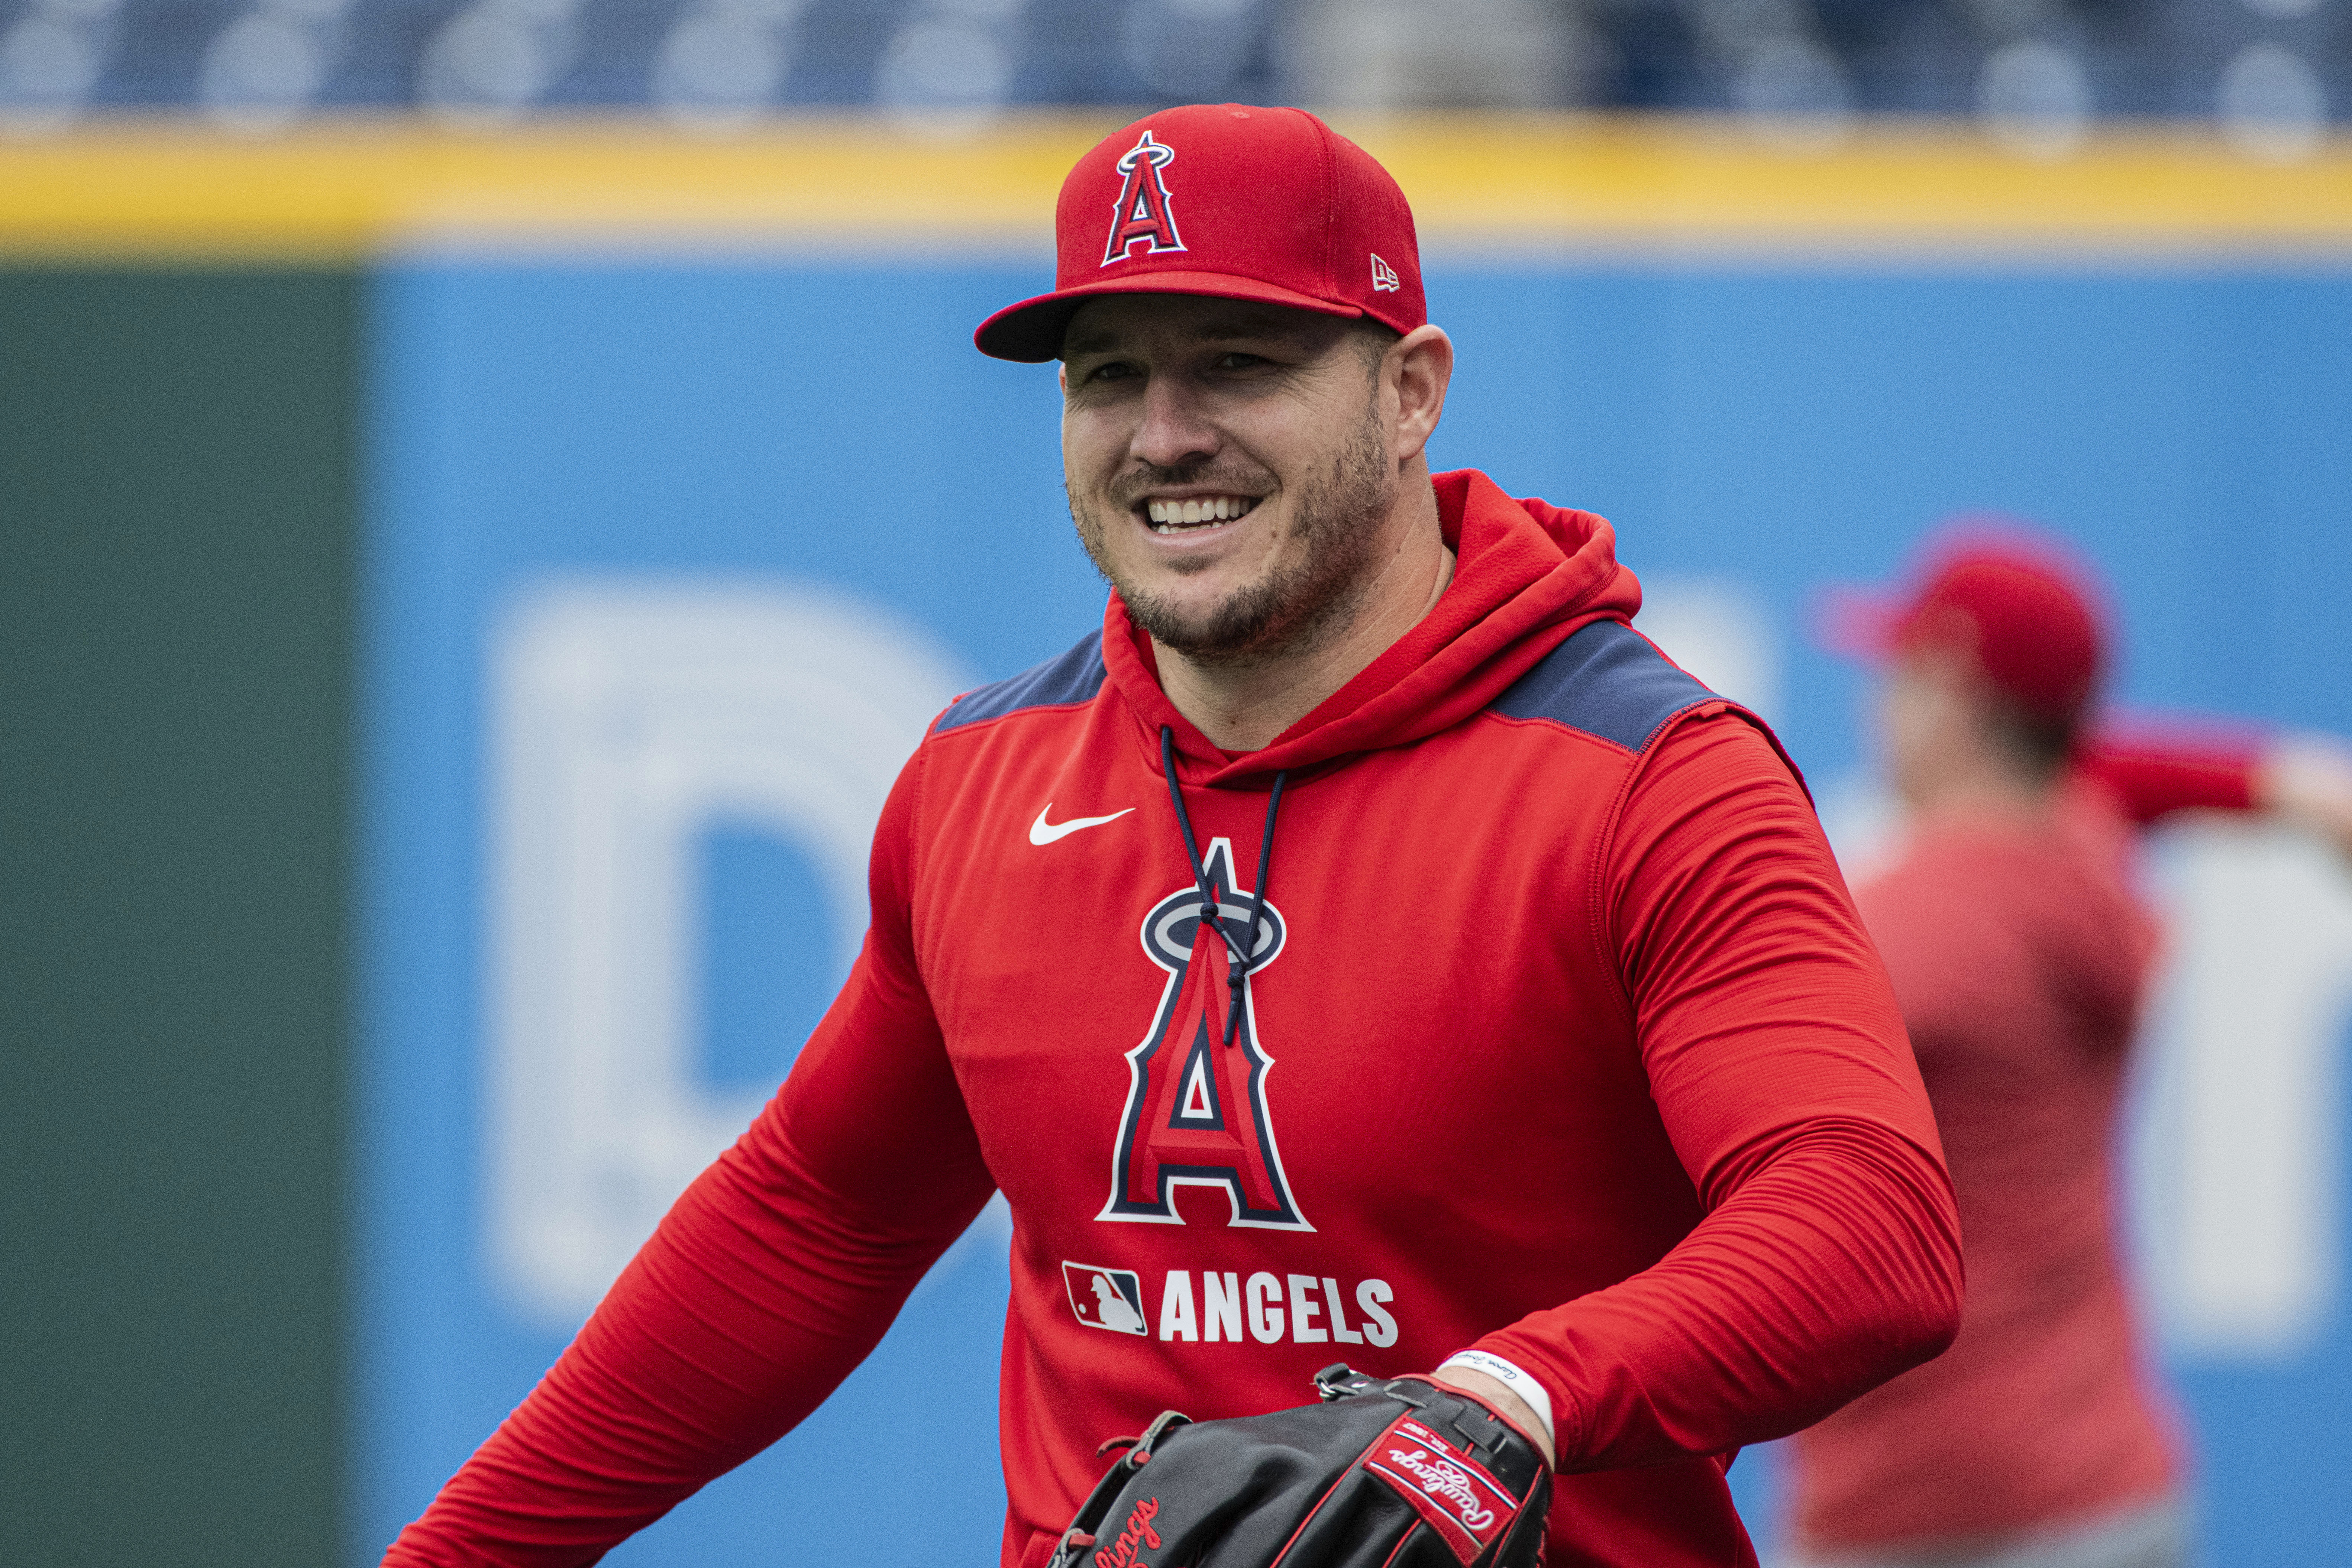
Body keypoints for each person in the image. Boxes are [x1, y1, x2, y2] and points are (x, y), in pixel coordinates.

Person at [386, 104, 1965, 1568]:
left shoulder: (1649, 774)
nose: (1163, 433)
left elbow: (1868, 1222)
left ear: (1410, 388)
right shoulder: (979, 777)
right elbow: (816, 1215)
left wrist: (1503, 1402)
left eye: (1238, 361)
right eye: (1105, 374)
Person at [1787, 531, 2352, 1568]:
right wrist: (2279, 781)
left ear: (1949, 694)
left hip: (1932, 1512)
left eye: (1897, 672)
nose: (1876, 706)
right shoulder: (2077, 841)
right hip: (2103, 1485)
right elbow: (2106, 773)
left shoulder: (1921, 924)